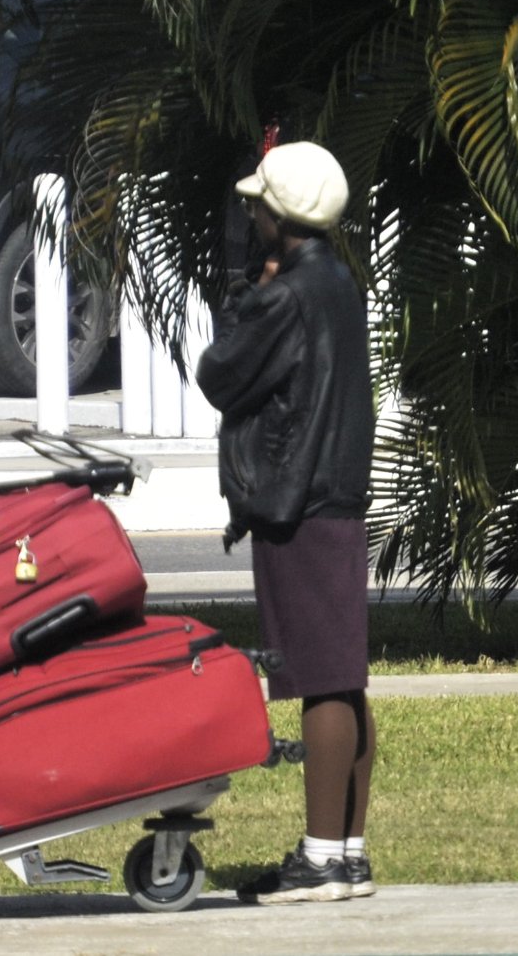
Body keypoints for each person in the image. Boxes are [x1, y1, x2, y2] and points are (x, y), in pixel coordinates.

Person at [196, 140, 376, 905]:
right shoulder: (336, 278)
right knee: (344, 675)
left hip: (295, 498)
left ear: (280, 216)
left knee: (317, 677)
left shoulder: (282, 295)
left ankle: (318, 859)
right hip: (336, 492)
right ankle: (348, 852)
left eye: (255, 205)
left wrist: (244, 293)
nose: (248, 215)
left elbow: (220, 373)